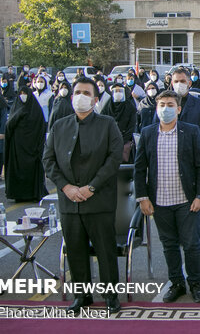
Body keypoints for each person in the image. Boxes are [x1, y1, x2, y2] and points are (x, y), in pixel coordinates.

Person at [43, 77, 123, 314]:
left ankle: (110, 295)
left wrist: (92, 187)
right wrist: (66, 187)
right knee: (75, 250)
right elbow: (48, 160)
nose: (80, 96)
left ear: (95, 99)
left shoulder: (107, 124)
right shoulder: (59, 126)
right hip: (69, 201)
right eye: (77, 91)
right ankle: (81, 295)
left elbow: (114, 158)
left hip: (98, 200)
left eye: (86, 93)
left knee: (105, 250)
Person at [134, 90, 200, 303]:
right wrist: (143, 198)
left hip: (187, 200)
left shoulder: (191, 131)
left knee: (191, 244)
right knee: (168, 244)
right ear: (156, 108)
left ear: (178, 109)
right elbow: (140, 169)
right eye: (161, 105)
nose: (165, 109)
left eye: (170, 105)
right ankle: (177, 283)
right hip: (159, 201)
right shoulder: (148, 133)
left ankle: (195, 283)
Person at [4, 86, 48, 202]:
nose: (23, 96)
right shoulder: (15, 108)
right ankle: (18, 195)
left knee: (32, 171)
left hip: (32, 147)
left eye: (25, 93)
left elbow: (41, 127)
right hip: (17, 148)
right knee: (18, 170)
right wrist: (18, 115)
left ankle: (34, 195)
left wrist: (39, 146)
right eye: (21, 93)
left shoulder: (36, 109)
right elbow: (8, 127)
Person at [168, 68, 200, 158]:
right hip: (170, 154)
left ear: (189, 83)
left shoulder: (199, 104)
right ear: (172, 84)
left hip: (193, 154)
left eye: (182, 81)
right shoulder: (165, 105)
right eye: (176, 81)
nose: (179, 84)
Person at [101, 83, 137, 164]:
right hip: (109, 142)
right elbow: (102, 123)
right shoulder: (108, 106)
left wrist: (121, 140)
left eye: (120, 91)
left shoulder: (130, 107)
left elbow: (131, 127)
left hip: (125, 144)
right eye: (115, 91)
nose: (118, 93)